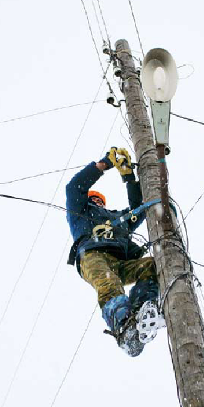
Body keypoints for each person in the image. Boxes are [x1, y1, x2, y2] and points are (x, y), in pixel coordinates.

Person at [66, 147, 160, 357]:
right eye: (93, 199)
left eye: (100, 200)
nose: (97, 202)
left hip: (119, 262)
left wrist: (128, 177)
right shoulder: (80, 213)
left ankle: (142, 310)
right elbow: (74, 187)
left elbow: (139, 208)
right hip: (92, 256)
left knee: (152, 265)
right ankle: (125, 327)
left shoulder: (116, 219)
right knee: (109, 283)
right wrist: (104, 164)